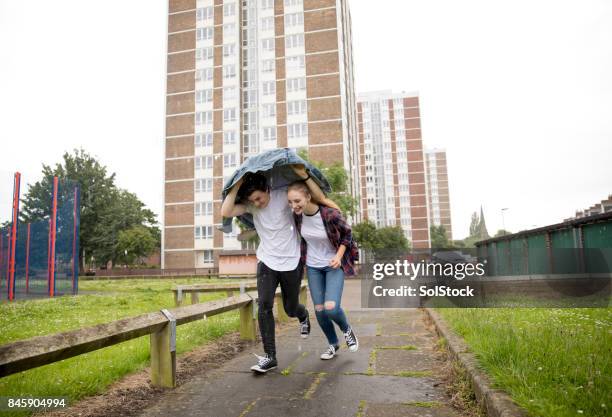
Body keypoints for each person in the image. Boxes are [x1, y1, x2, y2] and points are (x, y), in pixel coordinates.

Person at [221, 165, 338, 373]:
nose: (257, 203)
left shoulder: (283, 195)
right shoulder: (251, 206)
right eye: (253, 201)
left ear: (266, 189)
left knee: (290, 308)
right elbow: (226, 211)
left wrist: (305, 176)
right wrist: (237, 184)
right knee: (264, 305)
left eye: (258, 198)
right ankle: (270, 357)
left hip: (291, 261)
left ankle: (303, 316)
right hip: (266, 260)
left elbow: (314, 196)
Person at [287, 181, 359, 360]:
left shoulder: (329, 214)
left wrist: (339, 256)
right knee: (319, 310)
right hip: (313, 267)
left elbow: (347, 234)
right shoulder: (298, 216)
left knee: (331, 308)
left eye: (297, 201)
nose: (294, 206)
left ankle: (347, 330)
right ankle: (333, 344)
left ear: (308, 197)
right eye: (290, 202)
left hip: (333, 265)